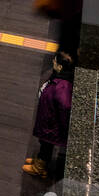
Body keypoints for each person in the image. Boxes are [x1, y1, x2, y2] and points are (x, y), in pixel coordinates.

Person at [23, 52, 74, 180]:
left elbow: (65, 106)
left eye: (55, 62)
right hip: (47, 118)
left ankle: (39, 169)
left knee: (46, 145)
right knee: (44, 143)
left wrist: (62, 125)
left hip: (51, 124)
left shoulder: (62, 86)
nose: (53, 63)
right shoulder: (59, 77)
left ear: (60, 67)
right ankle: (39, 162)